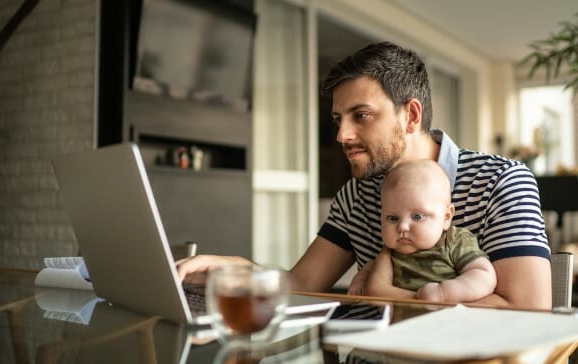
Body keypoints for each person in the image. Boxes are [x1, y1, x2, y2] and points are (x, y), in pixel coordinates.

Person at [178, 41, 552, 309]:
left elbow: (530, 310)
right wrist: (237, 269)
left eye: (362, 115)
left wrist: (391, 296)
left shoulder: (500, 180)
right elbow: (302, 285)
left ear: (411, 116)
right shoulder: (354, 198)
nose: (342, 136)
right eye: (339, 120)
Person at [348, 159, 496, 303]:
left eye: (417, 216)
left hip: (447, 321)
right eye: (392, 218)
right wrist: (360, 280)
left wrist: (443, 293)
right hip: (399, 325)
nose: (402, 227)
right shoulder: (390, 252)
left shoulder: (455, 240)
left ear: (446, 217)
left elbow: (483, 274)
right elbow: (372, 273)